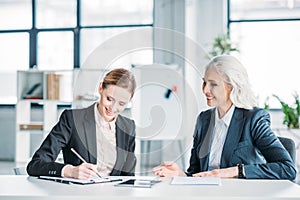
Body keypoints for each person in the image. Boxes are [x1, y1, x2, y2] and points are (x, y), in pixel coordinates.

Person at [153, 55, 296, 180]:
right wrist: (180, 175)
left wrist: (235, 171)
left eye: (213, 84)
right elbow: (196, 174)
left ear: (232, 87)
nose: (205, 90)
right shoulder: (204, 119)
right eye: (204, 82)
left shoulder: (253, 119)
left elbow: (287, 168)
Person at [27, 68, 137, 179]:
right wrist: (70, 171)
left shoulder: (128, 127)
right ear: (100, 88)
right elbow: (35, 165)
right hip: (80, 194)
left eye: (121, 103)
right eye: (109, 99)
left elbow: (128, 178)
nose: (113, 108)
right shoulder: (72, 120)